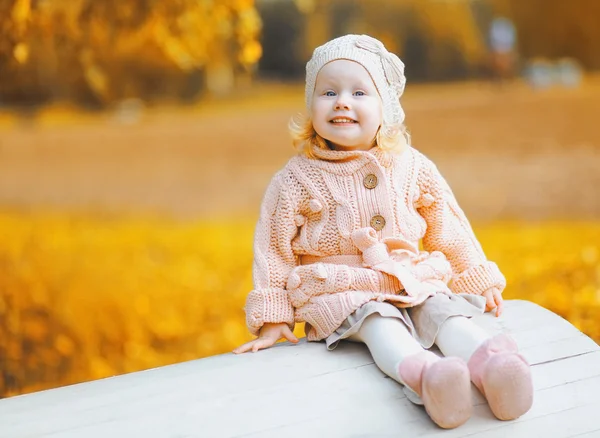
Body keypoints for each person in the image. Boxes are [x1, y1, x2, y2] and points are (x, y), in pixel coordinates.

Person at [233, 34, 533, 429]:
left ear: (386, 108)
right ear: (311, 106)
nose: (342, 101)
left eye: (359, 91)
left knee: (444, 311)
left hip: (409, 276)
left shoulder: (410, 165)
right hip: (340, 290)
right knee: (379, 323)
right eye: (328, 92)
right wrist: (274, 316)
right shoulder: (296, 179)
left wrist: (476, 276)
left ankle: (492, 366)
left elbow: (448, 226)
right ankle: (426, 377)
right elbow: (274, 249)